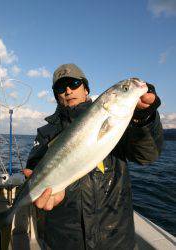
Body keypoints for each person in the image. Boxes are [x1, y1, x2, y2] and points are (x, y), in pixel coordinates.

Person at [23, 63, 163, 250]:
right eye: (60, 87)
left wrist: (143, 119)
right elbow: (34, 168)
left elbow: (147, 156)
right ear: (56, 95)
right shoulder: (45, 133)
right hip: (65, 240)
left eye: (74, 83)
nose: (67, 90)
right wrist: (42, 191)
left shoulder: (120, 121)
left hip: (115, 239)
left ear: (86, 89)